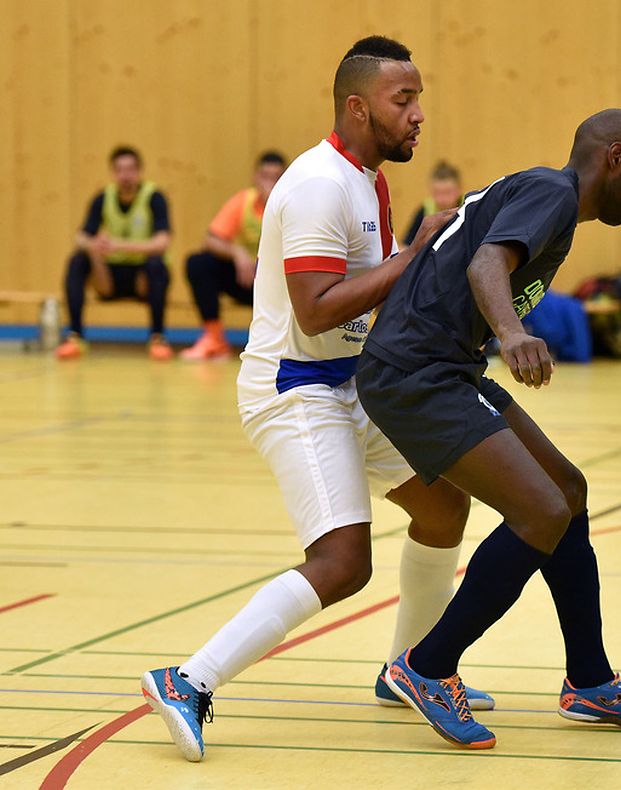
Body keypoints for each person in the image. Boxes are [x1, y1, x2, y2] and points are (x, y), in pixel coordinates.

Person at [139, 36, 493, 763]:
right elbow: (317, 310)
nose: (420, 114)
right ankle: (187, 679)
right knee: (343, 560)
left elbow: (378, 299)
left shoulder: (370, 179)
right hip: (295, 390)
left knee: (443, 504)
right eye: (405, 101)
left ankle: (410, 670)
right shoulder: (316, 186)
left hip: (351, 384)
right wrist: (414, 258)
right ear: (358, 107)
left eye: (419, 98)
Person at [355, 108, 621, 749]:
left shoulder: (547, 197)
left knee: (567, 491)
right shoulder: (552, 193)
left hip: (445, 366)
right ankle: (425, 667)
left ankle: (588, 679)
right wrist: (512, 333)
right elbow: (485, 267)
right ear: (614, 157)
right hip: (413, 372)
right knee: (538, 510)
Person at [57, 146, 173, 360]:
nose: (125, 176)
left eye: (130, 169)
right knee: (77, 261)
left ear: (139, 171)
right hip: (110, 276)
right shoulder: (103, 198)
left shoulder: (154, 197)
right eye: (119, 170)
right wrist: (94, 245)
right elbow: (81, 237)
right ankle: (75, 337)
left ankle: (158, 338)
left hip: (142, 277)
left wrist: (120, 245)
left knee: (157, 265)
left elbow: (162, 242)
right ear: (113, 173)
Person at [180, 151, 287, 360]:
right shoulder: (244, 201)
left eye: (276, 178)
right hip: (250, 278)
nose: (269, 183)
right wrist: (237, 252)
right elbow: (210, 239)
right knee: (199, 263)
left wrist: (273, 204)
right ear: (255, 178)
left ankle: (286, 345)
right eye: (265, 177)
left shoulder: (293, 202)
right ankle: (214, 338)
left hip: (283, 282)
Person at [402, 159, 463, 247]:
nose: (442, 199)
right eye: (437, 193)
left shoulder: (467, 208)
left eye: (448, 192)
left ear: (458, 190)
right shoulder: (425, 210)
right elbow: (406, 245)